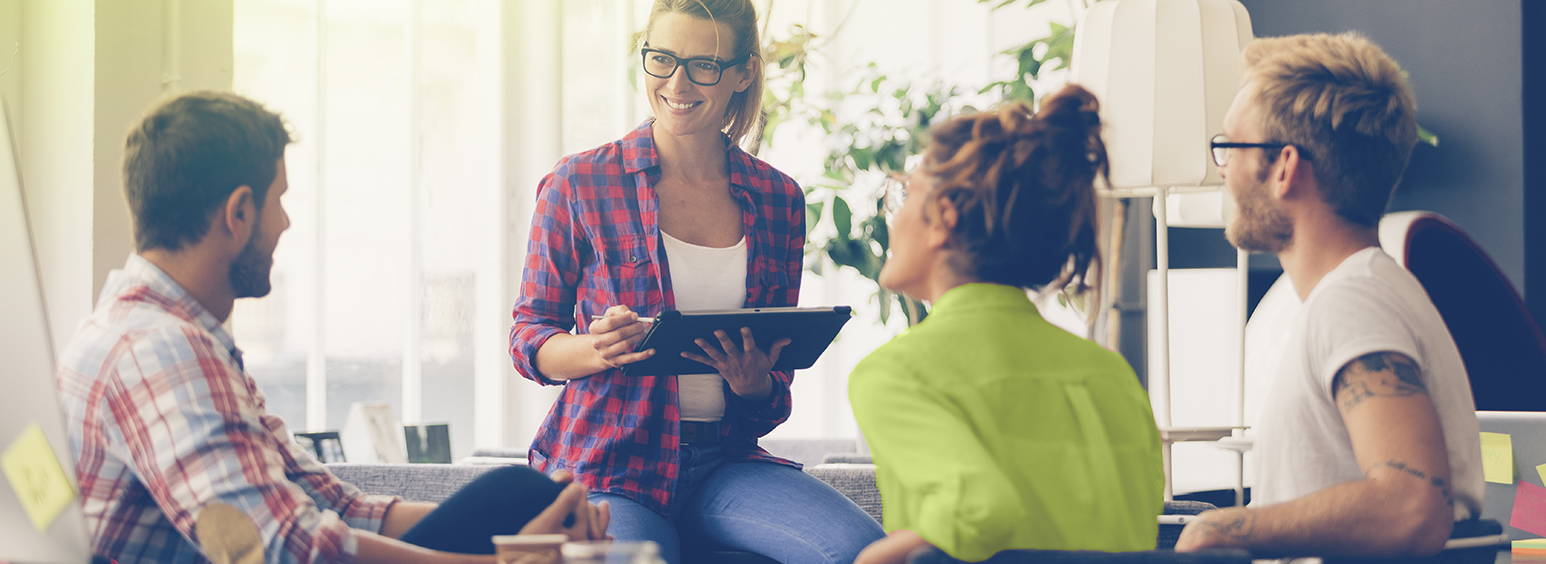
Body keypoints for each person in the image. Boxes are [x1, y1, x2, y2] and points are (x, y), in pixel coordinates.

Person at [56, 91, 609, 564]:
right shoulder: (162, 352)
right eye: (279, 201)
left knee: (521, 496)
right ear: (238, 213)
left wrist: (519, 527)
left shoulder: (150, 332)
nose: (285, 222)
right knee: (522, 505)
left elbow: (332, 505)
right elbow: (286, 551)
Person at [507, 1, 885, 562]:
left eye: (703, 65)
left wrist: (754, 383)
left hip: (725, 463)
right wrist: (597, 349)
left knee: (862, 551)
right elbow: (529, 337)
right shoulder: (579, 182)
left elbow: (771, 389)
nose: (676, 83)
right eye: (661, 59)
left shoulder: (778, 198)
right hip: (610, 464)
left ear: (744, 72)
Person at [1175, 33, 1483, 557]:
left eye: (1231, 147)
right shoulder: (1365, 293)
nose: (1222, 169)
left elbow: (1412, 504)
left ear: (1284, 168)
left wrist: (1221, 530)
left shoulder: (1353, 303)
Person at [849, 85, 1165, 564]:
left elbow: (980, 508)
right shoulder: (1112, 376)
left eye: (904, 194)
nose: (890, 215)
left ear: (943, 218)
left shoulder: (895, 376)